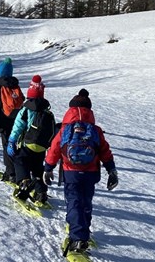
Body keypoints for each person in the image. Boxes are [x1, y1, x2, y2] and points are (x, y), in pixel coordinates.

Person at [43, 89, 118, 255]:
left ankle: (78, 238)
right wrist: (111, 169)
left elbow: (54, 149)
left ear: (70, 110)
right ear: (89, 111)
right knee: (85, 203)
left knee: (74, 203)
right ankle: (83, 230)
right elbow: (105, 151)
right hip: (90, 173)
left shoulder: (66, 129)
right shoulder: (95, 130)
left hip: (71, 173)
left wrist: (48, 168)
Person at [7, 75, 56, 204]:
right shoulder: (47, 111)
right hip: (41, 147)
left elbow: (18, 126)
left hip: (27, 144)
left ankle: (24, 183)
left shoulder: (26, 109)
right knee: (38, 168)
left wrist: (12, 140)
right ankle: (41, 193)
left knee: (20, 161)